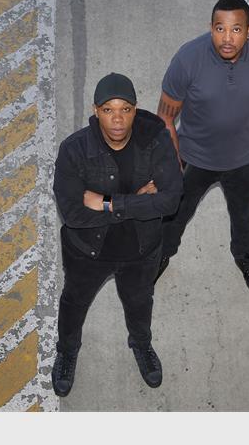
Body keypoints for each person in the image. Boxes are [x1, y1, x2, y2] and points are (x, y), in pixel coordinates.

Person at [51, 72, 183, 397]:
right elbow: (72, 213)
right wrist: (141, 201)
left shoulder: (156, 140)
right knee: (74, 303)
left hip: (141, 251)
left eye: (125, 109)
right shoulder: (73, 150)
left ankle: (141, 344)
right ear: (96, 111)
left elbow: (170, 200)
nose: (118, 119)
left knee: (140, 303)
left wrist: (108, 203)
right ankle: (67, 351)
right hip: (87, 251)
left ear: (135, 110)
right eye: (108, 110)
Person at [156, 0, 249, 296]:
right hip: (194, 158)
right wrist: (173, 164)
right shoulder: (188, 59)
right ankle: (159, 256)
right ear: (211, 27)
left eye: (236, 29)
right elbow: (165, 117)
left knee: (244, 216)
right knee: (174, 216)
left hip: (244, 160)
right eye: (219, 29)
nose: (227, 38)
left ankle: (245, 258)